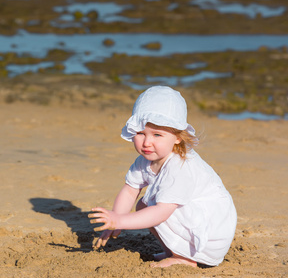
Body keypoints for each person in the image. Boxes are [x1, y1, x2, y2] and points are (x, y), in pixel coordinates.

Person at [89, 86, 237, 268]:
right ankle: (173, 252)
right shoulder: (144, 161)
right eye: (141, 133)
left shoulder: (180, 166)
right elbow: (130, 190)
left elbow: (162, 213)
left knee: (154, 206)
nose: (147, 142)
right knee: (144, 204)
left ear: (177, 137)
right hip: (193, 223)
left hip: (210, 234)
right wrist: (115, 221)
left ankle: (185, 258)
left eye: (157, 134)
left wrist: (120, 220)